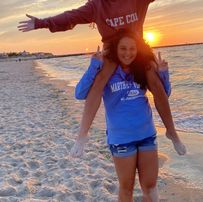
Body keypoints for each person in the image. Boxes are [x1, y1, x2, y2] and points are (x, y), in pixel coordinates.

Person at [17, 0, 203, 155]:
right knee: (99, 81)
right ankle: (82, 135)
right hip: (112, 51)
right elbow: (71, 17)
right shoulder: (97, 6)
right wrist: (41, 23)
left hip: (138, 48)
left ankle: (172, 132)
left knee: (154, 80)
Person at [71, 30, 172, 201]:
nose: (128, 53)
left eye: (132, 48)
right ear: (116, 49)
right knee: (126, 189)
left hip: (147, 134)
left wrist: (163, 74)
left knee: (150, 186)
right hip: (121, 138)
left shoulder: (141, 68)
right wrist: (94, 65)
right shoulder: (107, 70)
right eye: (123, 48)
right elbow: (80, 93)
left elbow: (164, 95)